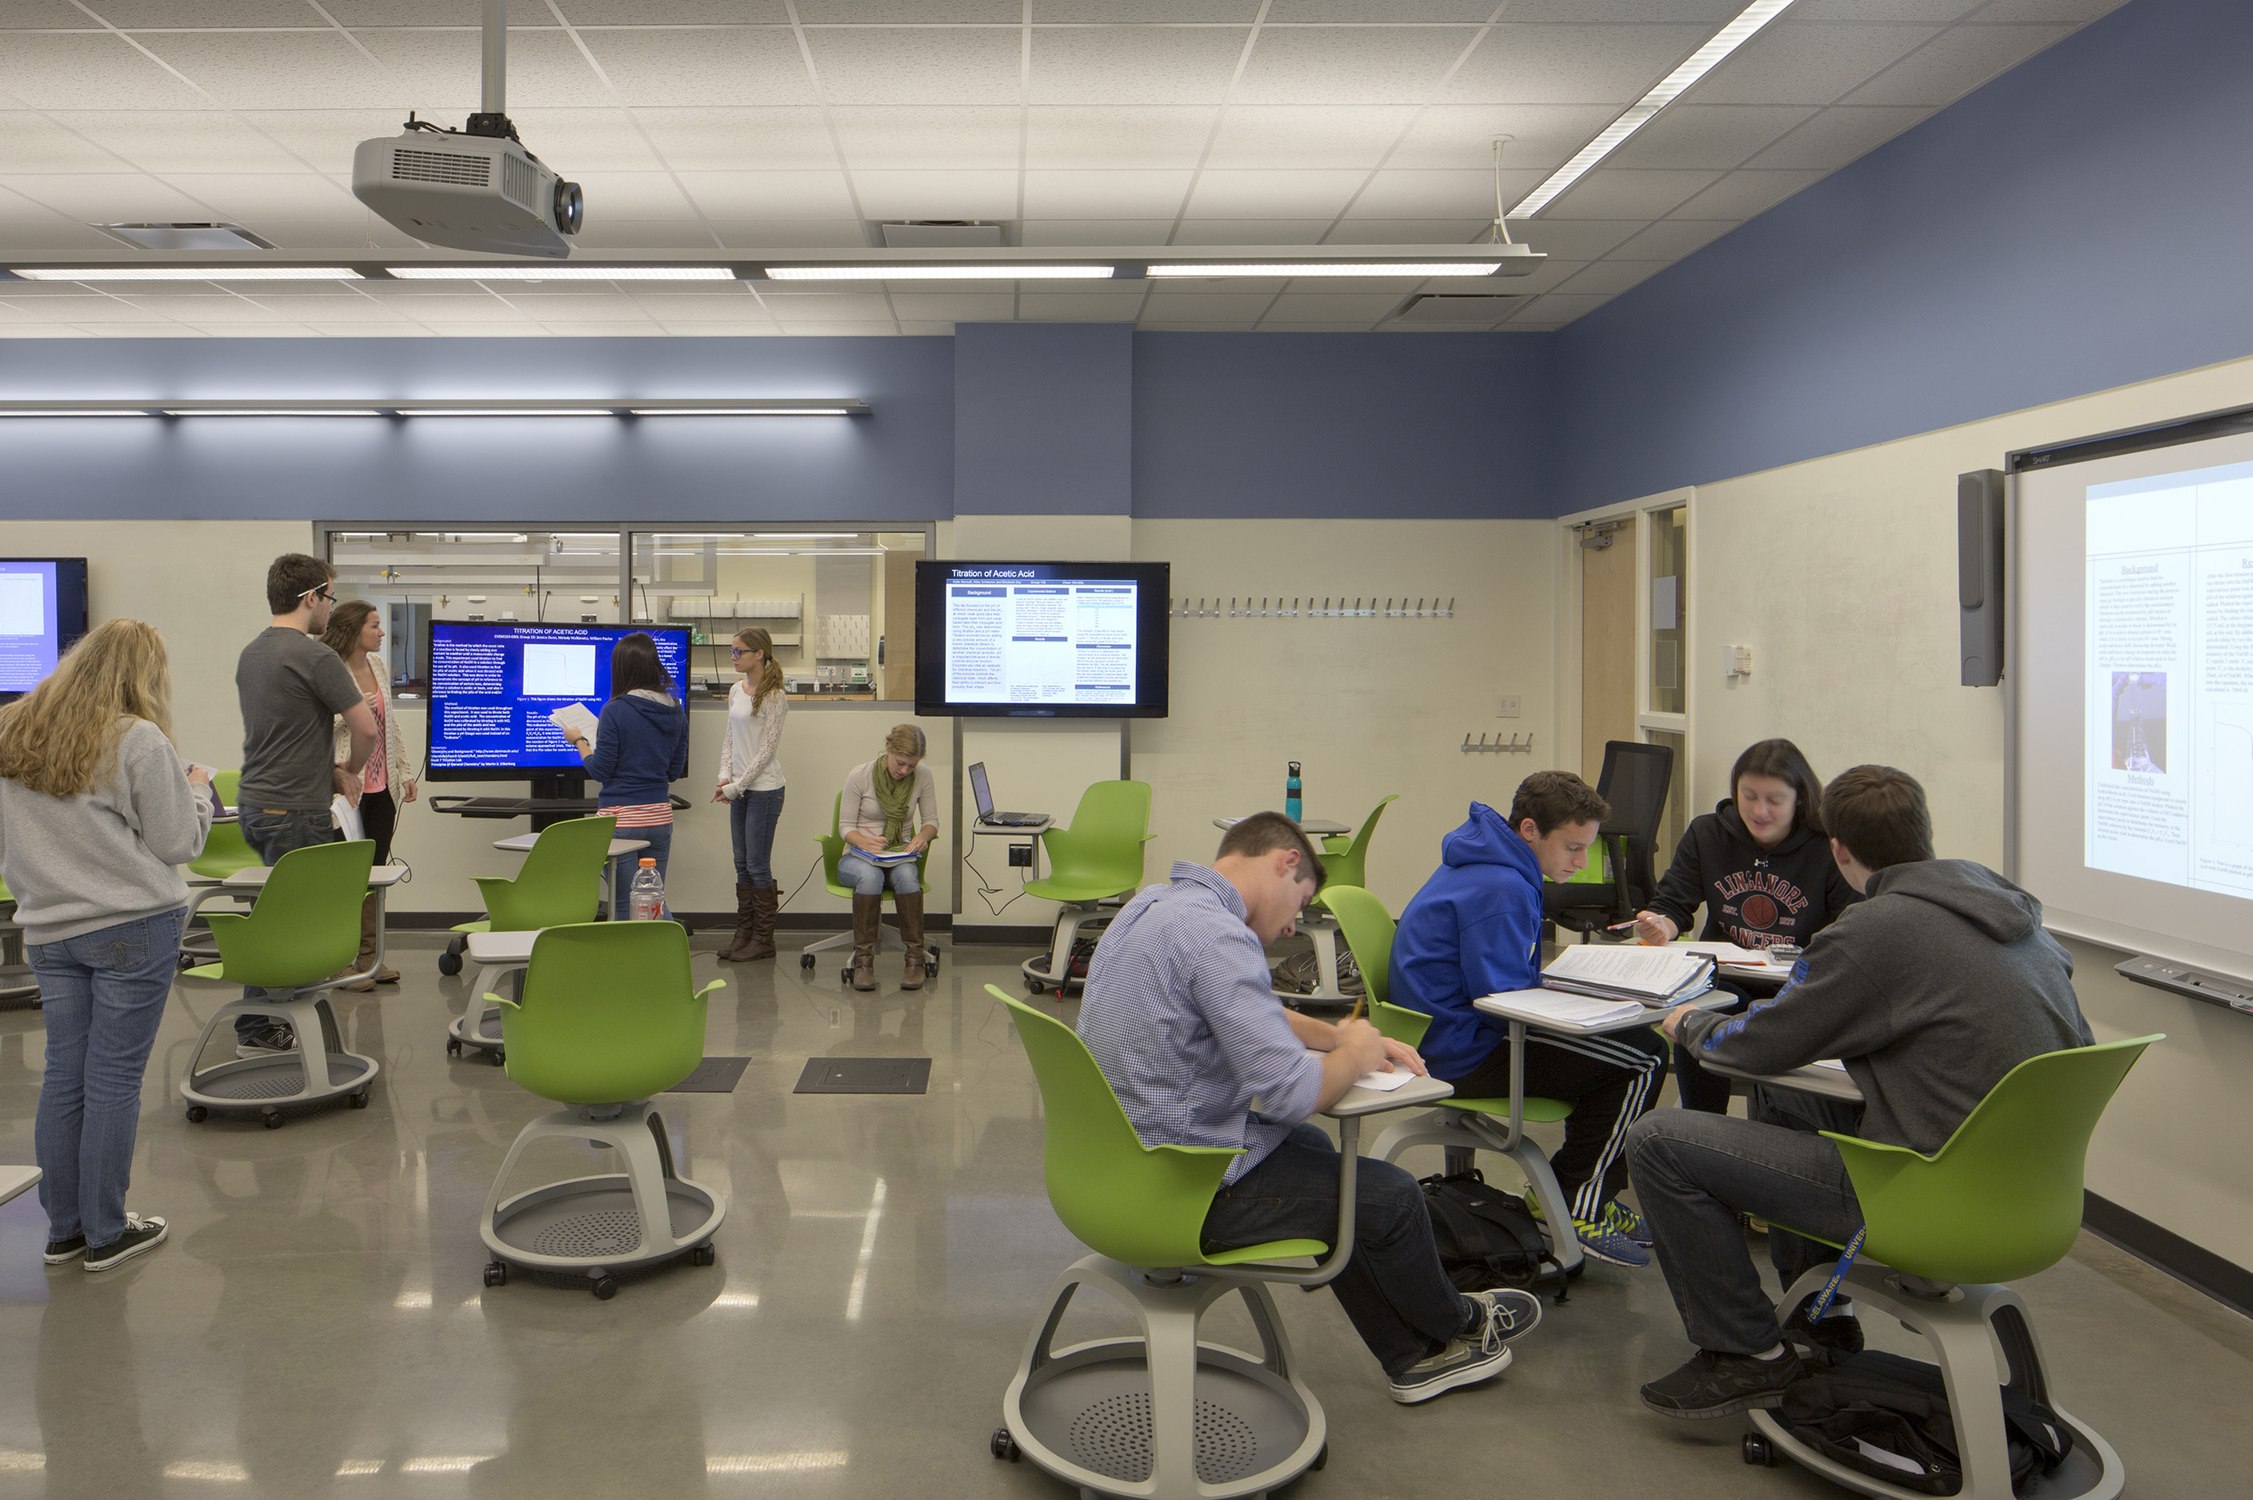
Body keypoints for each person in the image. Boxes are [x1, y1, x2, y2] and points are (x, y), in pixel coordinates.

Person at [1626, 766, 2094, 1420]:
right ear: (1925, 831)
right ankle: (1822, 1320)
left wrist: (1689, 1022)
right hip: (2034, 1199)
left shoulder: (1874, 929)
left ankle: (1746, 1353)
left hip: (1926, 1199)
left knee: (1656, 1141)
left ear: (1838, 850)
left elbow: (1760, 1046)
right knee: (1790, 1099)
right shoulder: (2019, 920)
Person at [1078, 813, 1543, 1402]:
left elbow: (1250, 1009)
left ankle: (1411, 1353)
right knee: (1390, 1195)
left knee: (1315, 1152)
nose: (1292, 925)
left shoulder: (1155, 906)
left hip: (1112, 1165)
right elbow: (1294, 1095)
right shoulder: (1220, 937)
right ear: (1286, 862)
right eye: (1300, 904)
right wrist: (1355, 1051)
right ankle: (1453, 1325)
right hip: (1176, 1190)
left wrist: (1335, 1035)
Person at [0, 619, 214, 1273]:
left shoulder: (12, 729)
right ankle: (106, 1231)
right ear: (145, 677)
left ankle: (64, 1231)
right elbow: (178, 843)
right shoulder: (136, 738)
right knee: (115, 1078)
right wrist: (197, 789)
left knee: (64, 1076)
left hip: (48, 929)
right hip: (132, 926)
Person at [1390, 771, 1668, 1269]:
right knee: (1645, 1056)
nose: (1580, 862)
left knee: (1624, 1045)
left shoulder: (1490, 861)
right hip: (1464, 1051)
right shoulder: (1500, 886)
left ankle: (1592, 1191)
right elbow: (1505, 1000)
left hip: (1446, 1035)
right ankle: (1575, 1200)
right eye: (1572, 848)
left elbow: (1503, 979)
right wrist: (1590, 1005)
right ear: (1530, 830)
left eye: (1586, 849)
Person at [1631, 738, 1860, 1113]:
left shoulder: (1826, 848)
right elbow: (1673, 904)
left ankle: (1772, 1129)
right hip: (1725, 981)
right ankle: (1700, 1124)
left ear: (1800, 799)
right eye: (1749, 796)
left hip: (1796, 987)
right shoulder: (1707, 834)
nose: (1759, 810)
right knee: (1698, 1011)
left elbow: (1851, 925)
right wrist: (1662, 925)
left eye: (1775, 800)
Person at [236, 554, 376, 1055]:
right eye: (329, 597)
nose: (330, 608)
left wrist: (329, 770)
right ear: (311, 597)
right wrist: (351, 771)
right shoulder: (316, 657)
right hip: (296, 810)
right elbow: (366, 729)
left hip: (256, 805)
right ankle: (263, 1028)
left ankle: (265, 1023)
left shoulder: (252, 652)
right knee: (300, 928)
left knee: (278, 918)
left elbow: (283, 735)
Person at [323, 599, 416, 991]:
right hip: (345, 787)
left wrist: (404, 771)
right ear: (353, 630)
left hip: (382, 787)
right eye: (374, 626)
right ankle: (338, 962)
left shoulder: (378, 666)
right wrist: (351, 713)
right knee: (344, 877)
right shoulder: (329, 668)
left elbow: (388, 723)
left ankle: (369, 959)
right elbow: (318, 726)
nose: (382, 632)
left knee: (374, 875)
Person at [563, 631, 689, 919]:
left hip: (622, 819)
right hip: (659, 818)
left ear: (621, 669)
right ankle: (665, 947)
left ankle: (644, 947)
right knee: (652, 900)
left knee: (624, 905)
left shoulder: (616, 710)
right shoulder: (675, 711)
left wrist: (579, 741)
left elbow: (600, 770)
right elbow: (673, 771)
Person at [837, 723, 938, 992]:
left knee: (907, 877)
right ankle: (863, 962)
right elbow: (845, 827)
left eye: (911, 766)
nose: (904, 771)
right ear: (888, 750)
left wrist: (923, 836)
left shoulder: (923, 776)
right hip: (858, 857)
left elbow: (931, 822)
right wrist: (864, 842)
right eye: (900, 763)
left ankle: (915, 961)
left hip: (897, 856)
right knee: (870, 877)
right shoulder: (860, 775)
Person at [712, 627, 788, 962]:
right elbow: (730, 739)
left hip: (764, 790)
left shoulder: (775, 696)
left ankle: (763, 940)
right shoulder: (735, 690)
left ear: (759, 654)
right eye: (732, 651)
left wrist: (737, 786)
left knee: (757, 865)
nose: (733, 657)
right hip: (739, 787)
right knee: (740, 863)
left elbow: (766, 751)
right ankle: (743, 934)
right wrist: (724, 777)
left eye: (738, 651)